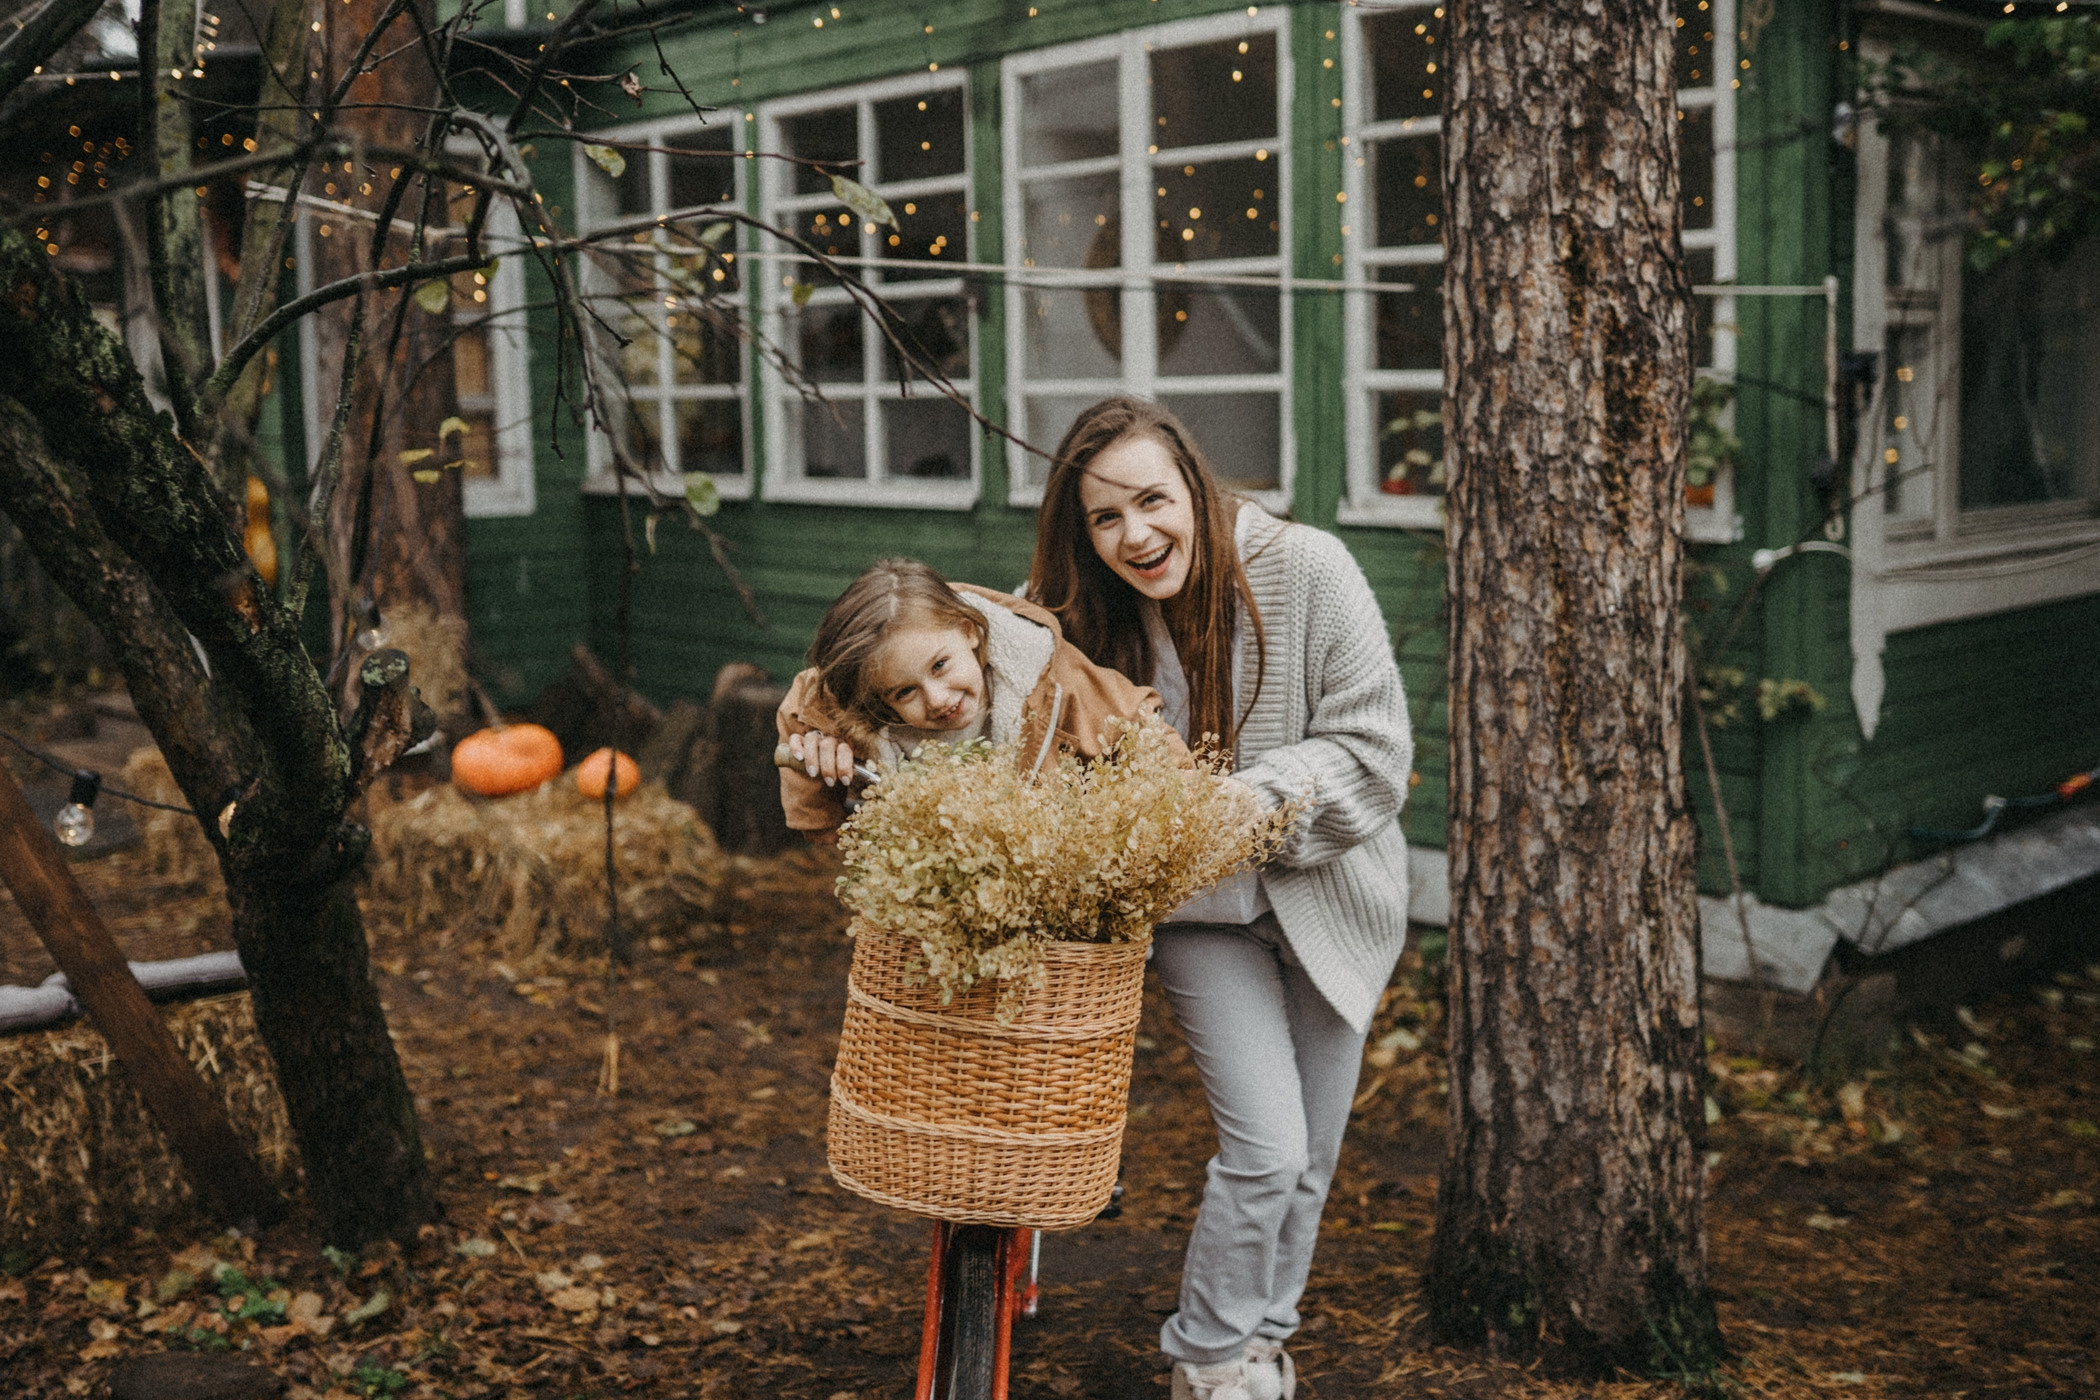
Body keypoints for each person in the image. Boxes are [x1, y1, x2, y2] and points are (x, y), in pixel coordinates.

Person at [1028, 397, 1412, 1400]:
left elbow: (1377, 749)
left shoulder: (1309, 568)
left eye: (1153, 500)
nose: (1136, 535)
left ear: (1195, 486)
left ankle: (1263, 1341)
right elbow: (951, 659)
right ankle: (1205, 1352)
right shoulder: (1077, 611)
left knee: (1311, 1158)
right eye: (1105, 518)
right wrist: (825, 716)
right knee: (1267, 1145)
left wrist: (1255, 797)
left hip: (1330, 889)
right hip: (1204, 917)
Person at [776, 556, 1183, 838]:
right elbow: (804, 707)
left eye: (940, 666)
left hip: (1044, 891)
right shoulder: (861, 696)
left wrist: (1187, 789)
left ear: (969, 630)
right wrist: (819, 805)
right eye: (904, 692)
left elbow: (1136, 719)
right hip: (926, 901)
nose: (936, 699)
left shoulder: (1045, 675)